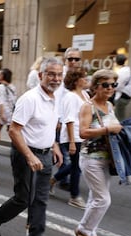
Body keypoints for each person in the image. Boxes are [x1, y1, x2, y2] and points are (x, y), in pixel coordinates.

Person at [0, 57, 63, 236]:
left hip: (45, 155)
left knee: (41, 200)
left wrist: (54, 145)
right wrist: (29, 156)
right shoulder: (30, 99)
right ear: (41, 76)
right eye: (51, 74)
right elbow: (13, 131)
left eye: (59, 74)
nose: (55, 78)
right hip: (26, 154)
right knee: (23, 199)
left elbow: (48, 126)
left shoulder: (56, 97)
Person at [74, 69, 122, 236]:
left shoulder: (110, 106)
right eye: (106, 85)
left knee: (95, 197)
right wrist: (108, 129)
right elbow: (83, 133)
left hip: (107, 159)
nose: (110, 88)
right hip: (91, 158)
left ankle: (91, 231)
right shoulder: (88, 106)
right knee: (103, 199)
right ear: (95, 86)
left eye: (113, 85)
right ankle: (82, 230)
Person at [50, 68, 90, 209]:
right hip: (72, 136)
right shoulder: (70, 97)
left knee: (75, 165)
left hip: (84, 135)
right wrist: (72, 142)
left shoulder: (85, 94)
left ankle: (52, 180)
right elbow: (69, 120)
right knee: (77, 166)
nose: (86, 80)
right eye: (84, 77)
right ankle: (74, 196)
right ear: (77, 80)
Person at [53, 47, 84, 191]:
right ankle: (66, 184)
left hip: (79, 125)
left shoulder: (81, 77)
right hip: (63, 121)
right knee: (68, 155)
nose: (73, 62)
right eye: (69, 59)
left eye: (76, 59)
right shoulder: (61, 75)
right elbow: (57, 98)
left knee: (72, 158)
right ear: (65, 60)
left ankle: (60, 179)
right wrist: (58, 119)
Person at [0, 68, 17, 153]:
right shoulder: (12, 87)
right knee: (12, 131)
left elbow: (0, 102)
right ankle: (15, 148)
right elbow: (14, 100)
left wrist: (0, 114)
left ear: (3, 76)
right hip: (11, 112)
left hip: (2, 111)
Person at [113, 54, 131, 121]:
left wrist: (113, 88)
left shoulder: (123, 71)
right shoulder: (127, 69)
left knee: (119, 118)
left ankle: (121, 130)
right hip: (125, 95)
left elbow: (119, 85)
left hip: (121, 96)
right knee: (119, 116)